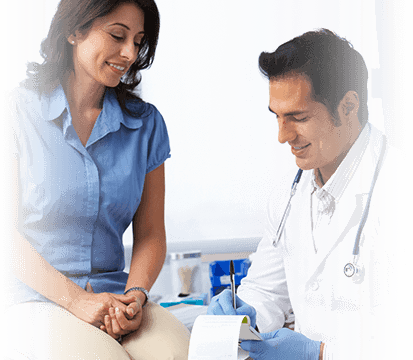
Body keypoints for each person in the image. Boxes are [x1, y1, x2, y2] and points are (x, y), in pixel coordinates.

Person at [4, 0, 190, 359]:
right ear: (74, 30)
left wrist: (136, 295)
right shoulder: (14, 114)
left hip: (113, 295)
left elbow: (151, 233)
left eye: (138, 41)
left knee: (178, 355)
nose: (129, 53)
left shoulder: (146, 125)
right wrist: (77, 301)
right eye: (118, 36)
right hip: (33, 298)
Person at [207, 29, 405, 360]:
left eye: (298, 118)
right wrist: (242, 314)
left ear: (348, 107)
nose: (283, 136)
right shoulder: (288, 195)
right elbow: (267, 292)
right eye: (277, 117)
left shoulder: (400, 189)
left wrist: (322, 354)